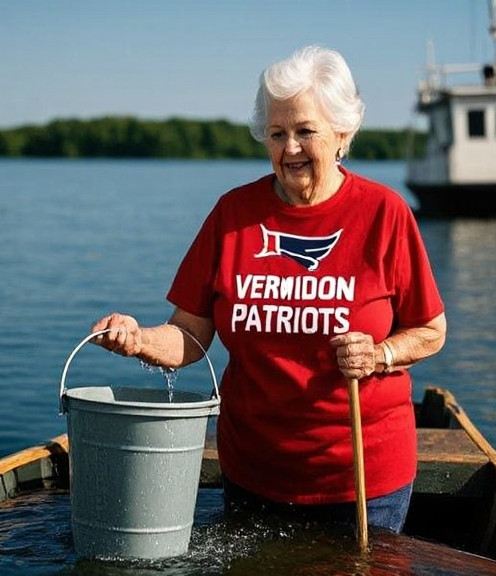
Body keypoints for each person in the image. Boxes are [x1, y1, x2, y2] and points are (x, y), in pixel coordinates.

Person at [92, 45, 446, 533]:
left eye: (305, 131)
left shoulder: (384, 214)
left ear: (343, 134)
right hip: (253, 473)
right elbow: (189, 336)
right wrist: (137, 339)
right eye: (277, 133)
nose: (290, 148)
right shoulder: (233, 215)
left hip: (361, 481)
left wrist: (380, 354)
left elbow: (430, 329)